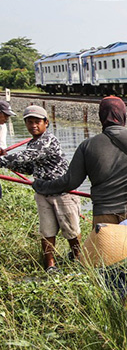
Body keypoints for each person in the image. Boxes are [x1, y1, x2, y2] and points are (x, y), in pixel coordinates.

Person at [33, 96, 127, 226]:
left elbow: (70, 182)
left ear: (101, 117)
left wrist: (41, 186)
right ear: (123, 115)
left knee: (106, 251)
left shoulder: (87, 146)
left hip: (104, 216)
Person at [0, 105, 81, 272]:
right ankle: (50, 266)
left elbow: (27, 156)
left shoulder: (48, 140)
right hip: (43, 193)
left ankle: (80, 261)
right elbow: (29, 167)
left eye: (37, 122)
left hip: (62, 193)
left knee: (71, 231)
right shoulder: (33, 143)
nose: (33, 126)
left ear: (46, 123)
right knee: (47, 230)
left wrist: (4, 160)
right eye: (29, 122)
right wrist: (8, 163)